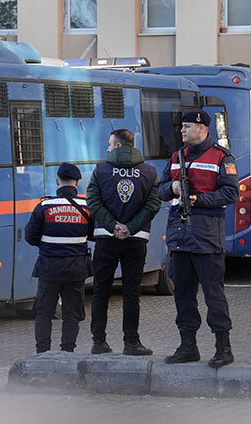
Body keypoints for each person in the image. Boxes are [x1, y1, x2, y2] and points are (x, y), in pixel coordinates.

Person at [158, 110, 239, 368]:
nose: (182, 131)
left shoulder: (221, 157)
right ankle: (188, 346)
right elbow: (160, 189)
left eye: (186, 126)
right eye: (182, 126)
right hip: (180, 234)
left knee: (213, 294)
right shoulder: (176, 157)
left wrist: (198, 199)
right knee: (182, 293)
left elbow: (231, 193)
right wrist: (172, 187)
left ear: (202, 128)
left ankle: (223, 348)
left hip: (206, 235)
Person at [86, 129, 161, 356]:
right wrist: (131, 227)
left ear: (118, 146)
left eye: (110, 144)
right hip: (135, 240)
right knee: (131, 293)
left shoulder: (101, 170)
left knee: (101, 291)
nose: (108, 148)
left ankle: (98, 342)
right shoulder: (149, 172)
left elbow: (93, 201)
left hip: (106, 238)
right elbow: (153, 205)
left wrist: (113, 226)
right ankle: (131, 342)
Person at [24, 163, 91, 354]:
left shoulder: (44, 206)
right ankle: (67, 352)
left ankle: (43, 352)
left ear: (57, 181)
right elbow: (94, 233)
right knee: (71, 314)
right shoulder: (87, 208)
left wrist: (48, 246)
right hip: (76, 269)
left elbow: (30, 236)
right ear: (77, 183)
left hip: (49, 268)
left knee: (44, 313)